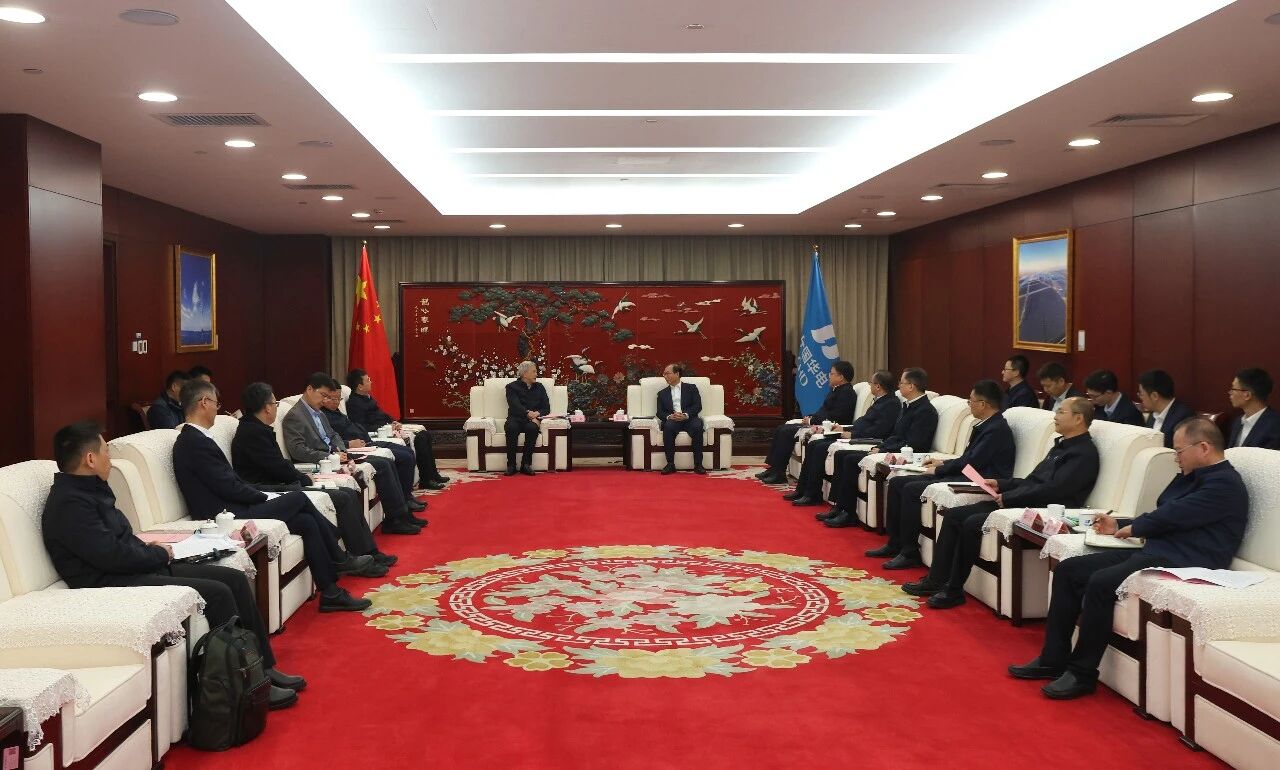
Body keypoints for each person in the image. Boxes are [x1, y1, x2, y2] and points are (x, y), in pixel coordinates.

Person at [43, 421, 305, 709]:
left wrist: (149, 550)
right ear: (90, 459)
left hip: (134, 568)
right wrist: (158, 555)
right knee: (218, 593)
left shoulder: (89, 491)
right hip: (112, 582)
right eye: (106, 452)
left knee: (233, 578)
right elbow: (110, 555)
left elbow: (117, 541)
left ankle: (263, 668)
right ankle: (247, 689)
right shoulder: (70, 504)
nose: (110, 459)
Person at [1010, 417, 1248, 699]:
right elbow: (1165, 510)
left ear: (1204, 447)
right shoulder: (1193, 474)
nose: (1176, 458)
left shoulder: (1224, 484)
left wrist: (1135, 528)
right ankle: (1053, 659)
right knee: (1069, 570)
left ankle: (1082, 673)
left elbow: (1176, 514)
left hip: (1188, 559)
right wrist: (1121, 524)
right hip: (1160, 550)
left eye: (1179, 451)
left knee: (1101, 582)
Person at [171, 379, 374, 612]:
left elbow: (230, 482)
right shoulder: (193, 442)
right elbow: (227, 487)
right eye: (216, 403)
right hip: (222, 513)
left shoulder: (198, 438)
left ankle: (331, 593)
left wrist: (266, 493)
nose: (218, 409)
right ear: (204, 402)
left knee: (306, 521)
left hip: (232, 503)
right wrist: (263, 496)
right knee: (298, 498)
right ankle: (339, 558)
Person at [904, 397, 1100, 608]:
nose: (1055, 416)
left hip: (1044, 509)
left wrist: (1010, 497)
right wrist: (1001, 484)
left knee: (971, 523)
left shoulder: (1083, 454)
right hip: (1024, 499)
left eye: (1061, 412)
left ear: (1078, 419)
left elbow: (1055, 491)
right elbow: (1033, 481)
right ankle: (936, 580)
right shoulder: (1060, 446)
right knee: (955, 515)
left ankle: (953, 590)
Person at [232, 382, 396, 570]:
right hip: (272, 489)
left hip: (282, 482)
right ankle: (357, 559)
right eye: (274, 403)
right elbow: (277, 467)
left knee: (348, 494)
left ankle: (369, 553)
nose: (276, 408)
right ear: (267, 407)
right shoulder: (252, 432)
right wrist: (304, 478)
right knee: (342, 497)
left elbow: (278, 465)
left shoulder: (257, 428)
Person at [863, 379, 1016, 569]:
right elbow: (968, 458)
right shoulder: (987, 424)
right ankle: (895, 543)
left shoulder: (996, 430)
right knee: (898, 482)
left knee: (911, 489)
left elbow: (972, 462)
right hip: (967, 472)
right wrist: (942, 463)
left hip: (979, 480)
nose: (969, 404)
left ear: (983, 404)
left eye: (971, 401)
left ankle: (910, 552)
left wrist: (940, 469)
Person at [281, 373, 423, 535]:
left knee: (386, 461)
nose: (325, 400)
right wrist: (329, 455)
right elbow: (297, 450)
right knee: (382, 464)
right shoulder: (294, 416)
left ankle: (401, 515)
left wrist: (340, 449)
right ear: (309, 389)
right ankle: (395, 520)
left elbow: (333, 435)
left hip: (339, 455)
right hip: (327, 461)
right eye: (323, 395)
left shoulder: (318, 412)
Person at [819, 368, 939, 521]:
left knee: (849, 459)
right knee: (843, 455)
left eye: (901, 383)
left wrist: (883, 449)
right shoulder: (908, 405)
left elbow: (914, 443)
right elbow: (895, 435)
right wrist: (882, 447)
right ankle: (839, 506)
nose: (898, 386)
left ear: (911, 386)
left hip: (906, 454)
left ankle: (848, 513)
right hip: (889, 448)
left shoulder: (925, 410)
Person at [320, 377, 428, 526]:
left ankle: (405, 502)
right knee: (398, 459)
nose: (336, 402)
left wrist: (390, 422)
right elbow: (326, 440)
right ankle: (399, 513)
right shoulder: (322, 414)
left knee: (406, 452)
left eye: (338, 399)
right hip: (353, 448)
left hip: (366, 441)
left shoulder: (335, 411)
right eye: (331, 398)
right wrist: (348, 444)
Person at [791, 370, 899, 502]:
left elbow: (879, 430)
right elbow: (863, 422)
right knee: (814, 444)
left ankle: (813, 494)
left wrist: (852, 434)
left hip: (866, 440)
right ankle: (803, 489)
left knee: (821, 448)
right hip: (855, 434)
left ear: (878, 386)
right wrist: (845, 428)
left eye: (871, 383)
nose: (870, 385)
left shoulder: (891, 404)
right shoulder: (880, 401)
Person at [345, 368, 449, 489]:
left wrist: (393, 421)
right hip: (380, 433)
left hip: (388, 427)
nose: (371, 382)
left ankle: (433, 474)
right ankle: (426, 479)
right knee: (420, 439)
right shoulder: (354, 403)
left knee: (424, 434)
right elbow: (362, 426)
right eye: (368, 380)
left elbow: (381, 414)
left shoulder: (367, 398)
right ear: (360, 386)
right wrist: (386, 427)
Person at [757, 361, 857, 485]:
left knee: (786, 432)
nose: (829, 376)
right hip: (819, 422)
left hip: (830, 427)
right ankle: (773, 469)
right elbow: (824, 411)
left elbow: (836, 416)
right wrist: (811, 417)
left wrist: (811, 421)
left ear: (841, 377)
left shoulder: (847, 393)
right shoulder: (836, 390)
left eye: (832, 374)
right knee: (781, 428)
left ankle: (779, 473)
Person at [656, 363, 706, 474]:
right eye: (664, 374)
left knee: (698, 426)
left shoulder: (691, 388)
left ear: (677, 374)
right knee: (668, 427)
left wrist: (685, 415)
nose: (665, 376)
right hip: (673, 420)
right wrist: (670, 416)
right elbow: (659, 412)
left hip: (689, 418)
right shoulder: (662, 393)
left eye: (667, 373)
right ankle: (670, 464)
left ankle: (698, 464)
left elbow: (698, 406)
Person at [504, 361, 550, 476]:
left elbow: (546, 408)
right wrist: (527, 413)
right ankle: (511, 465)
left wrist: (537, 414)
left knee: (532, 428)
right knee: (511, 428)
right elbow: (514, 405)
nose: (536, 374)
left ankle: (526, 464)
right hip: (516, 418)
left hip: (532, 419)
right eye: (534, 371)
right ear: (525, 374)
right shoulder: (511, 387)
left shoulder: (540, 387)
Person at [1138, 369, 1195, 448]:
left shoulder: (1183, 417)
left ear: (1154, 396)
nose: (1140, 397)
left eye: (1141, 394)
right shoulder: (1153, 412)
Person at [1227, 367, 1280, 449]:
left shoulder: (1275, 426)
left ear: (1247, 395)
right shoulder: (1238, 422)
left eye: (1233, 389)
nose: (1230, 393)